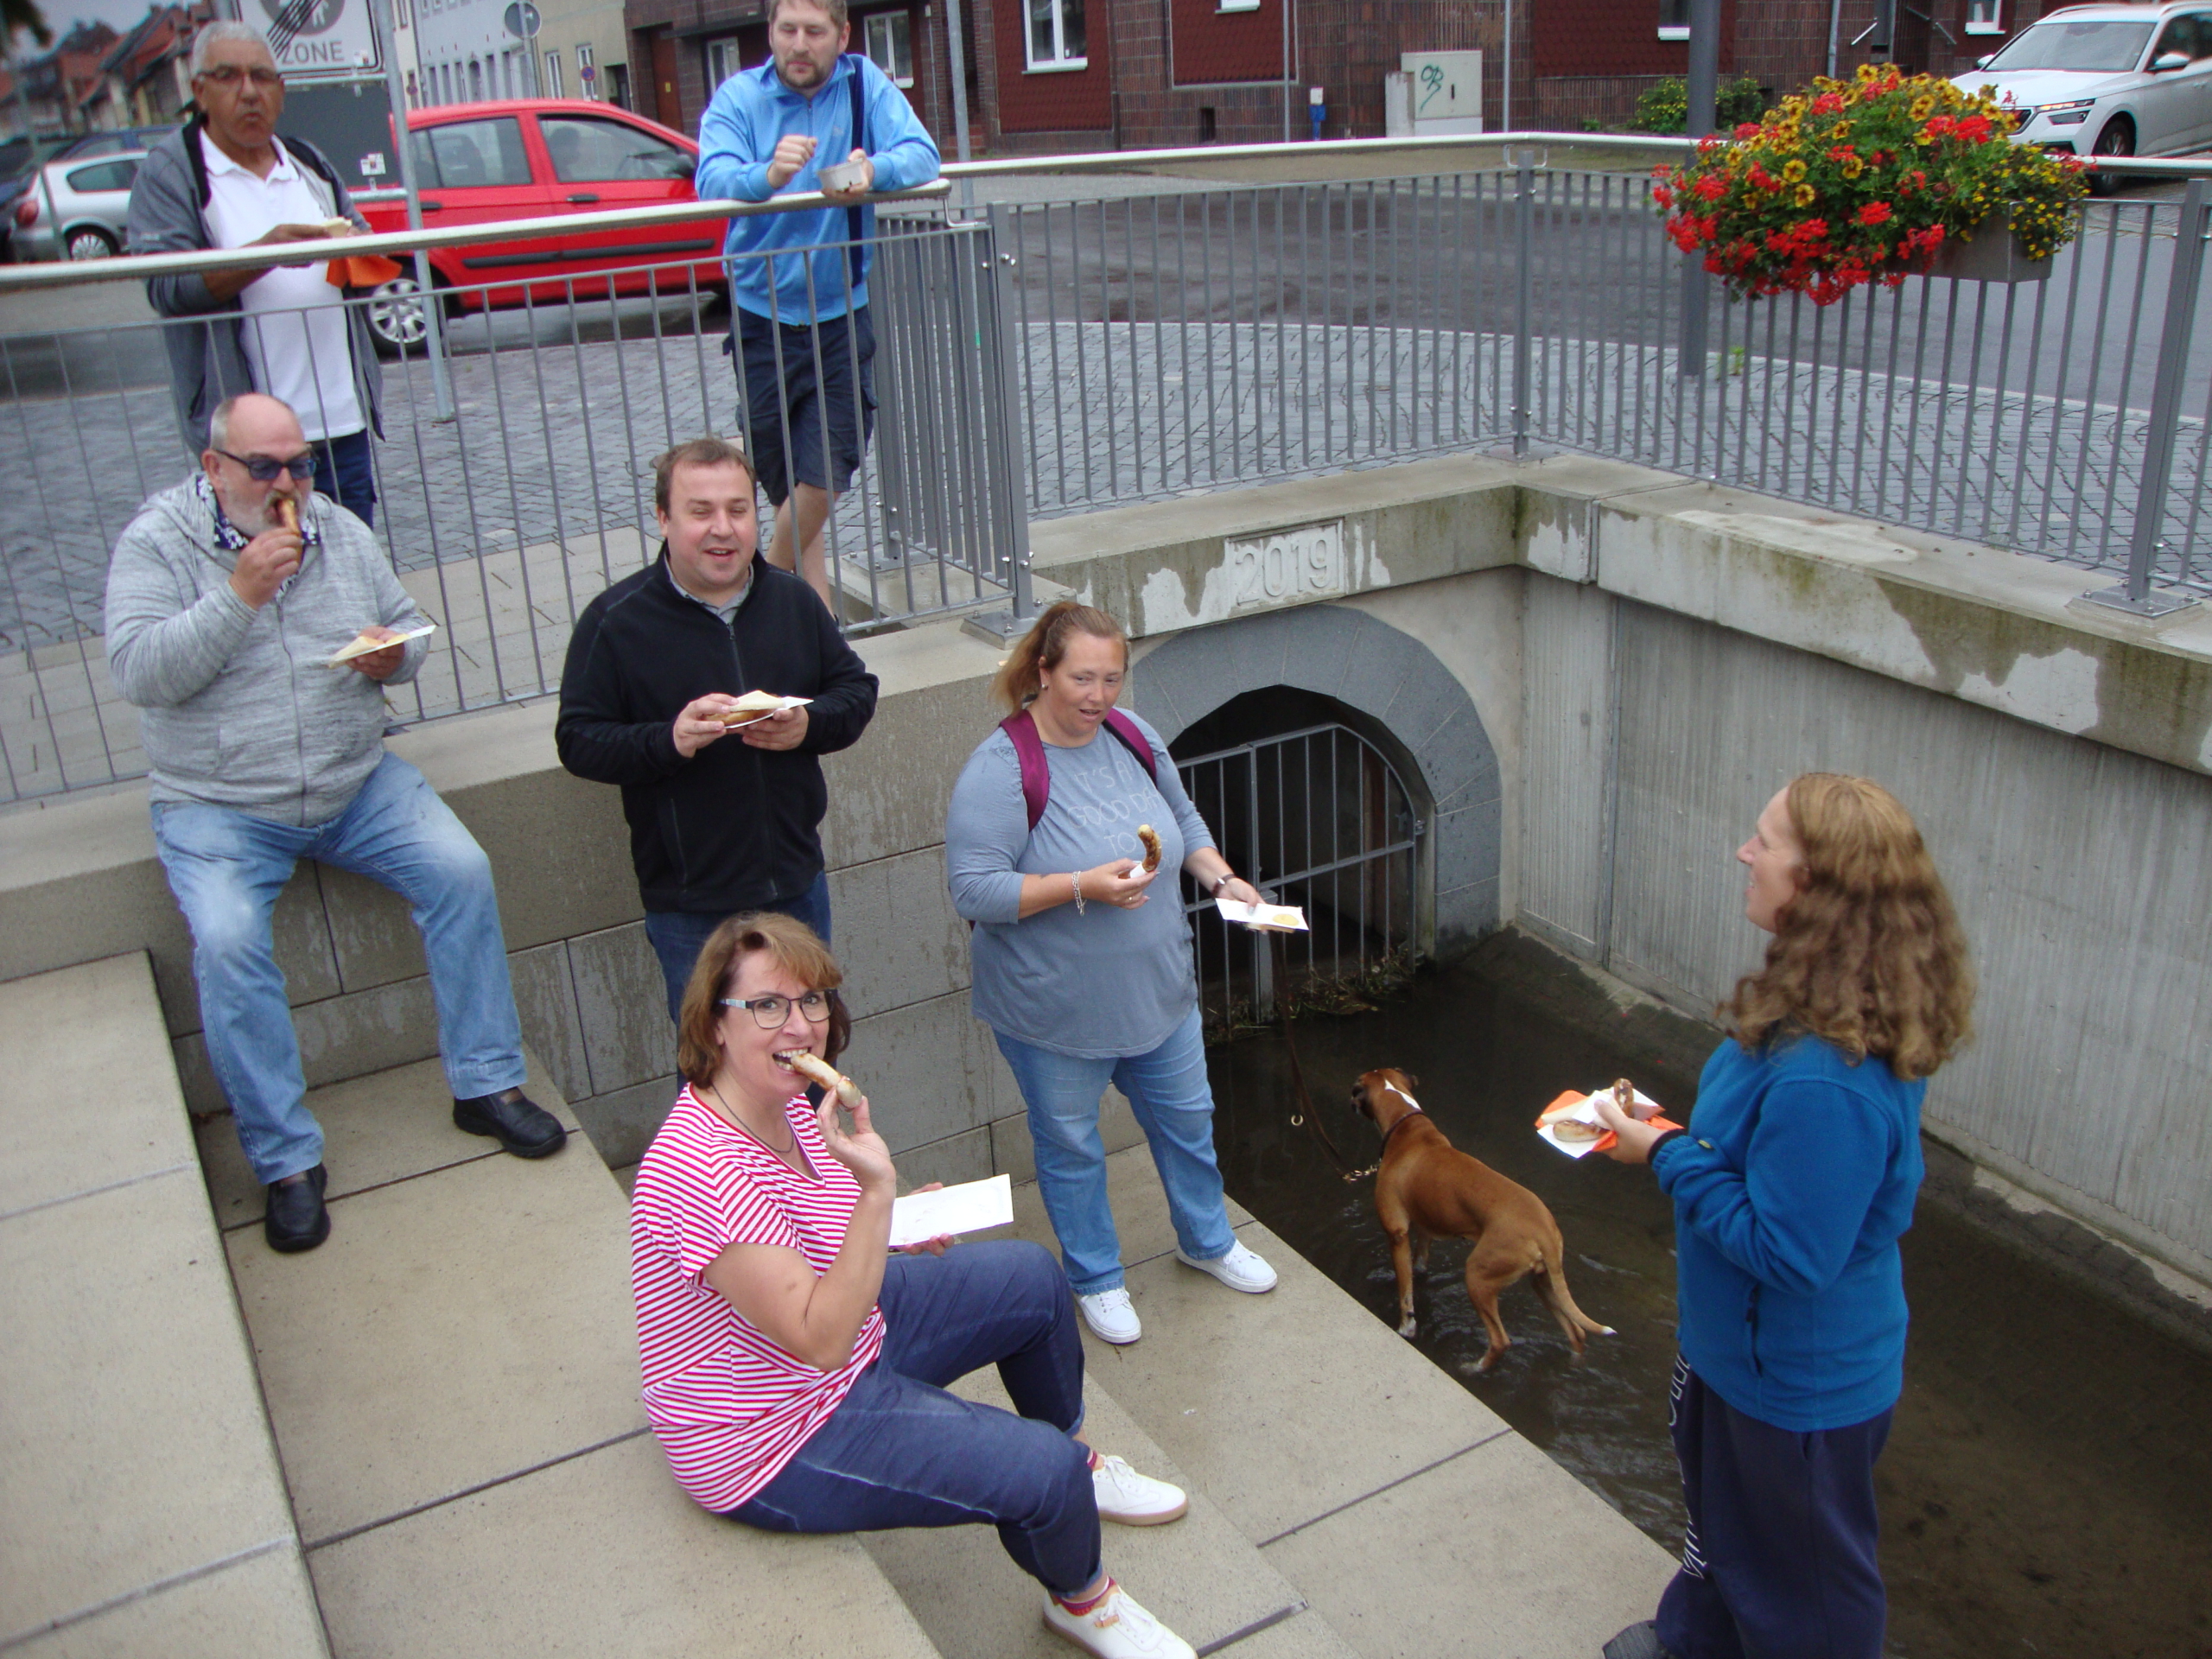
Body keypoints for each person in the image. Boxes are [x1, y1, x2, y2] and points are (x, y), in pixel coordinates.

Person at [631, 912, 1204, 1659]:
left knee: (1033, 1281)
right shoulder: (706, 1171)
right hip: (775, 1432)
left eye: (812, 1003)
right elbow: (821, 1338)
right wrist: (876, 1199)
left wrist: (894, 1219)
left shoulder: (785, 1105)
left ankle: (1083, 1467)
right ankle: (1084, 1601)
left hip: (840, 1339)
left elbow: (818, 1228)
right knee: (1039, 1471)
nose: (799, 1026)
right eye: (767, 1006)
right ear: (713, 1025)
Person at [105, 392, 563, 1255]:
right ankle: (284, 1162)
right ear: (215, 469)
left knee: (460, 871)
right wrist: (239, 595)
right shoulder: (157, 543)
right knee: (230, 937)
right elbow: (140, 672)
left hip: (355, 783)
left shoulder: (337, 528)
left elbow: (410, 630)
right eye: (265, 467)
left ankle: (487, 1086)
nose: (289, 484)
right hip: (220, 802)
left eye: (301, 463)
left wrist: (395, 654)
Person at [1593, 773, 1974, 1659]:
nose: (1744, 852)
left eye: (1765, 841)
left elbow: (1790, 1252)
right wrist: (1671, 1136)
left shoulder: (1822, 1078)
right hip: (1744, 1360)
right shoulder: (1811, 1010)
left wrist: (1664, 1155)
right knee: (1728, 1539)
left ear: (1817, 886)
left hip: (1791, 1387)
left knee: (1810, 1601)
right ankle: (1695, 1643)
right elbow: (1764, 1172)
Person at [944, 601, 1278, 1346]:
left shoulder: (1134, 734)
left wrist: (1223, 881)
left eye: (1113, 678)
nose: (1099, 695)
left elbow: (1184, 821)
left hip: (1159, 994)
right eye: (1082, 678)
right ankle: (1095, 1277)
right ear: (1043, 671)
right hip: (1054, 1014)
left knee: (1189, 1124)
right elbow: (973, 890)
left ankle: (1208, 1240)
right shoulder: (1002, 768)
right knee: (1070, 1147)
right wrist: (1080, 886)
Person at [556, 436, 878, 1019]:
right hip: (690, 904)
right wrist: (668, 741)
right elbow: (578, 740)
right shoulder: (615, 622)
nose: (722, 529)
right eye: (700, 512)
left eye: (736, 509)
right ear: (663, 518)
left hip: (796, 886)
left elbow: (856, 693)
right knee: (712, 1073)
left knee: (804, 1052)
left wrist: (806, 726)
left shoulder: (795, 602)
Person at [695, 0, 940, 608]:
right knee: (788, 493)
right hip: (761, 317)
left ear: (842, 35)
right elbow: (713, 179)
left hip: (839, 313)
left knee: (824, 479)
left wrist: (873, 168)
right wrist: (767, 177)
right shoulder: (739, 98)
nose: (800, 44)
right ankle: (814, 647)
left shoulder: (863, 84)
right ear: (770, 33)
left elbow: (922, 154)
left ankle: (751, 601)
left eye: (815, 31)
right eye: (787, 30)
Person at [125, 21, 385, 525]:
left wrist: (358, 253)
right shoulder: (172, 171)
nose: (249, 92)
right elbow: (167, 288)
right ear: (199, 91)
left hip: (342, 420)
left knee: (350, 570)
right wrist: (265, 254)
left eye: (262, 77)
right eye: (228, 76)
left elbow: (365, 251)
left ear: (280, 91)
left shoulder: (307, 162)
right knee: (273, 575)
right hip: (255, 447)